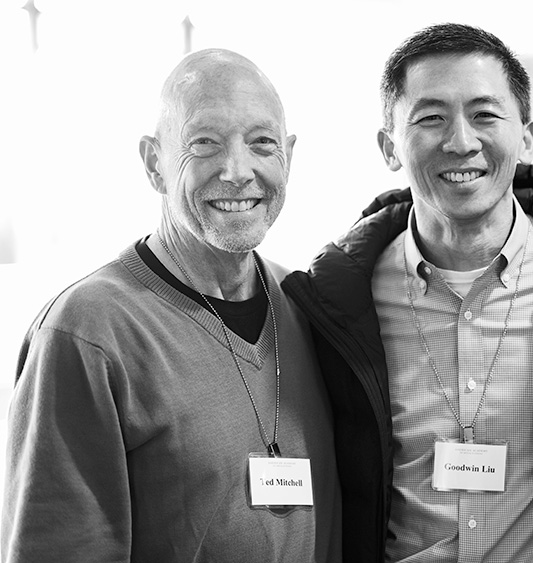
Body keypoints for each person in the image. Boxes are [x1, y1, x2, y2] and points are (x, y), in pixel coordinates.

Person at [282, 23, 533, 563]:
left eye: (485, 114)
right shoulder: (337, 300)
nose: (461, 141)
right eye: (431, 118)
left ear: (526, 136)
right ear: (389, 146)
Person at [2, 48, 342, 562]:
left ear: (288, 155)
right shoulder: (86, 333)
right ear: (153, 162)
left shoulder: (306, 306)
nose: (237, 170)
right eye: (204, 143)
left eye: (261, 143)